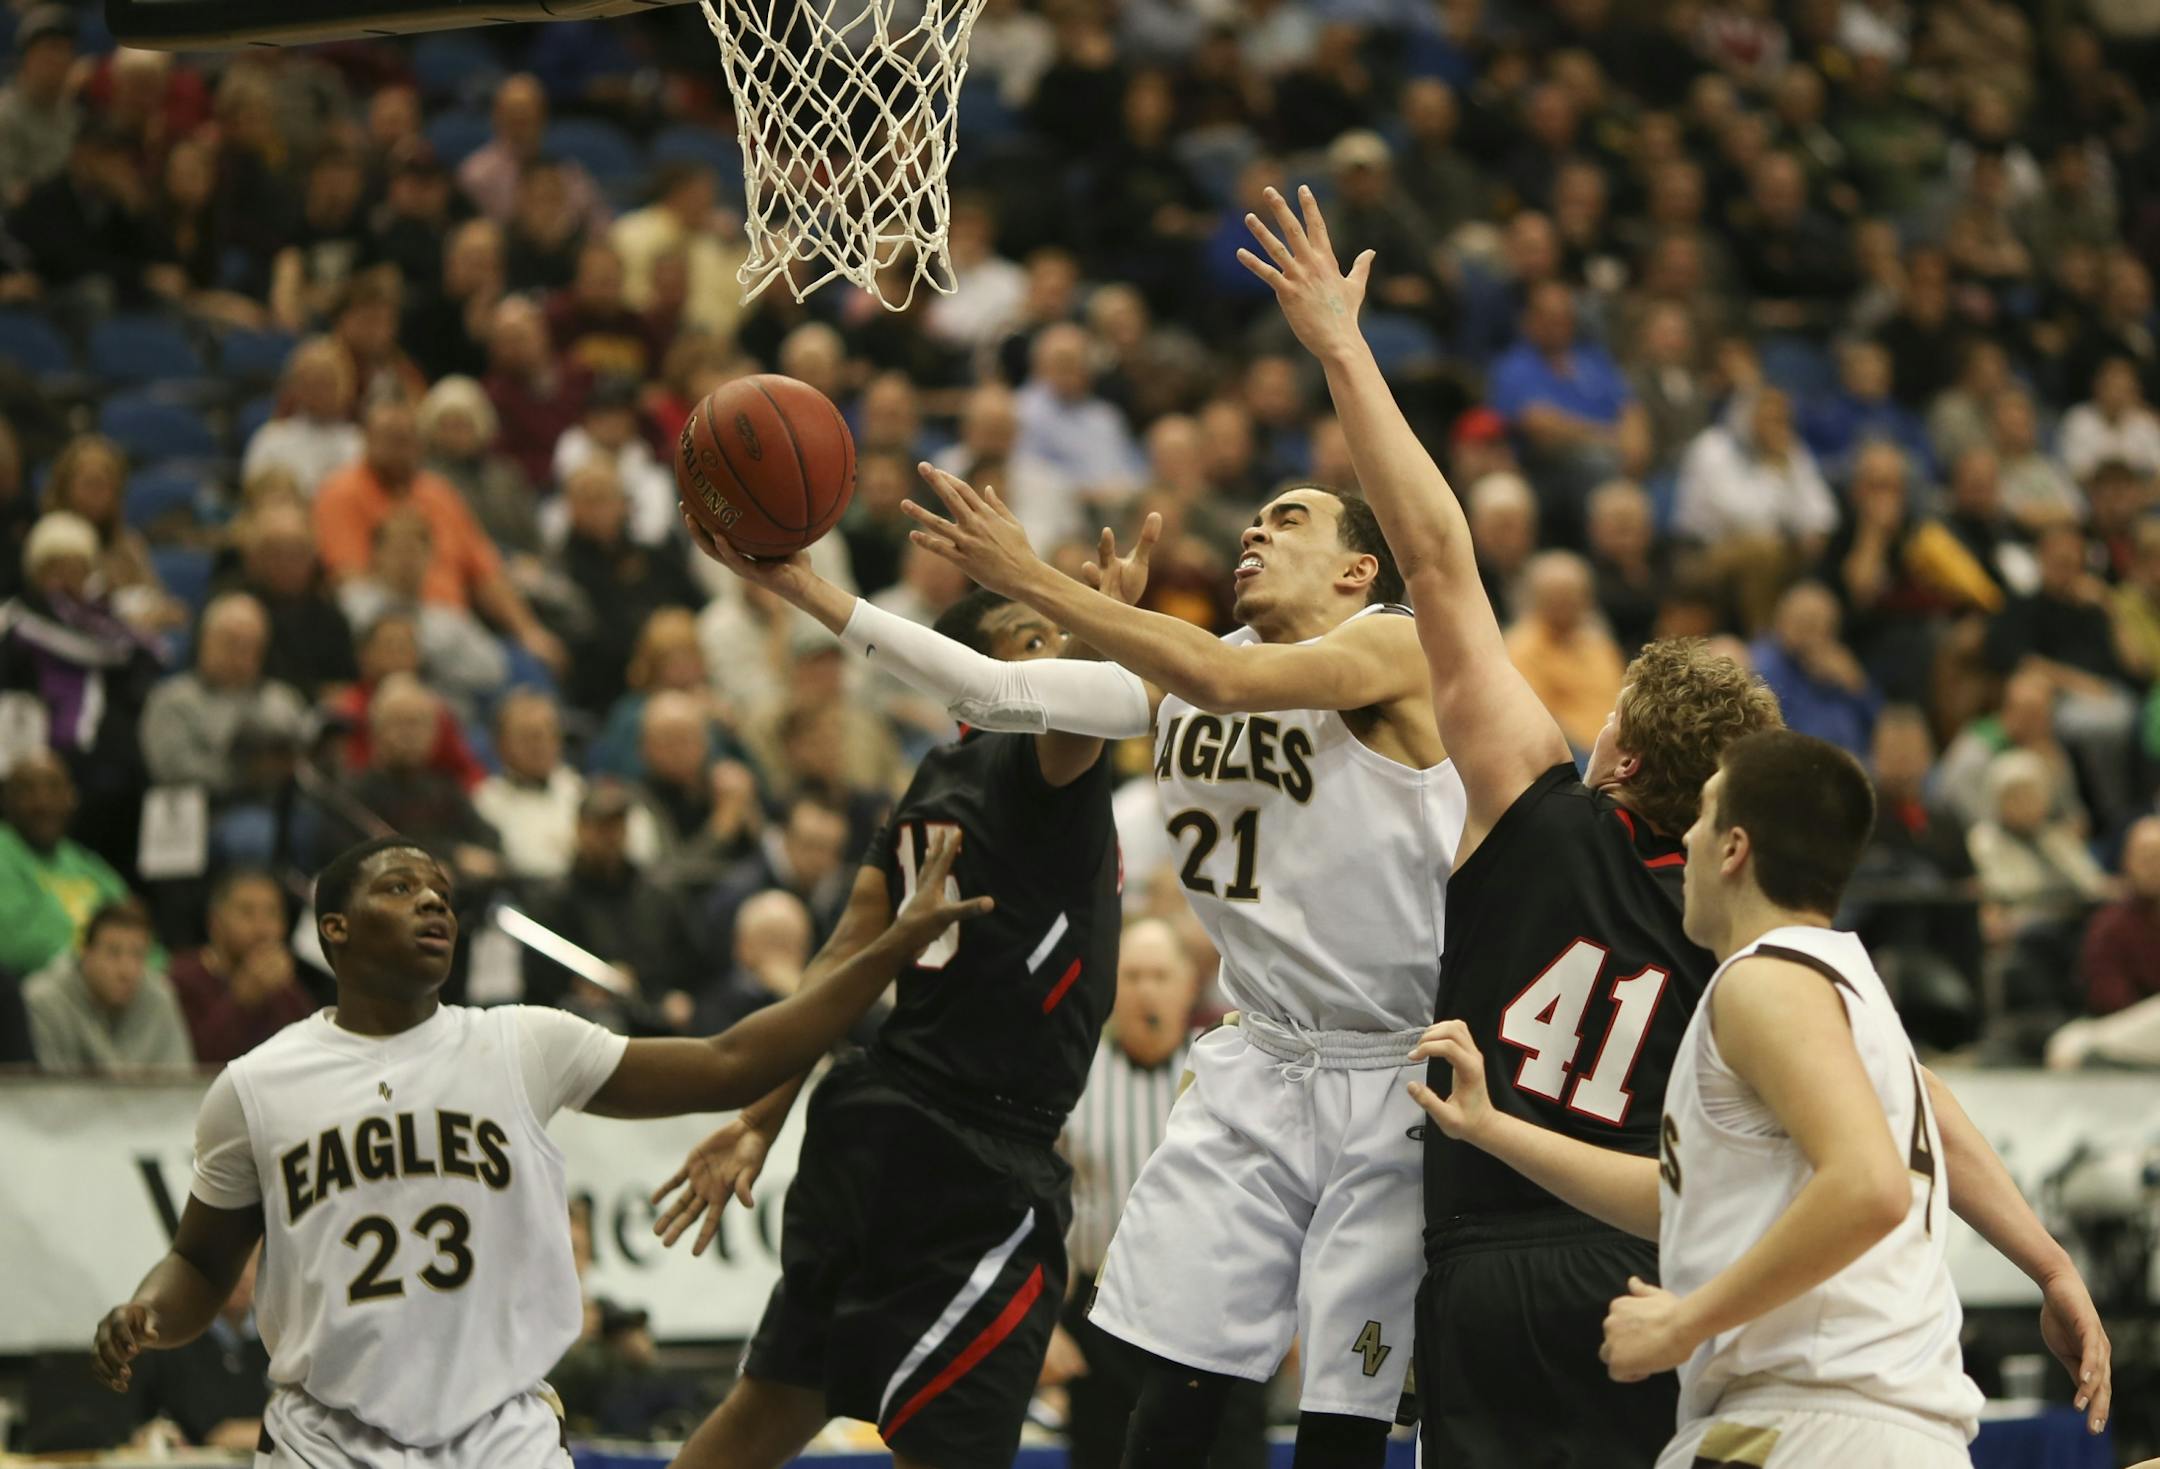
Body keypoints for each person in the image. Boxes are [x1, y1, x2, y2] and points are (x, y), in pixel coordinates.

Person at [1237, 182, 1783, 1465]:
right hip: (1646, 1265)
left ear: (1624, 751)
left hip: (1484, 1254)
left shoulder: (1534, 798)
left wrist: (1341, 347)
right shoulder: (1740, 919)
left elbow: (1433, 561)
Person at [865, 453, 1461, 1462]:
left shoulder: (1395, 645)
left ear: (1359, 571)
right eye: (1252, 522)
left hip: (1398, 1066)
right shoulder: (1187, 664)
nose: (1255, 532)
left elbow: (1228, 680)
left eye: (1289, 519)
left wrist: (1029, 580)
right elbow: (1001, 687)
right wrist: (801, 586)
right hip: (1263, 1054)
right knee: (1173, 1393)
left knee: (1343, 1417)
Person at [90, 831, 987, 1465]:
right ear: (336, 929)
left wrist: (883, 954)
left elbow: (730, 1060)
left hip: (502, 1433)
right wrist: (148, 1312)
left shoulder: (521, 1042)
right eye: (400, 888)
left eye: (440, 888)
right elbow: (199, 1265)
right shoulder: (255, 1084)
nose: (433, 899)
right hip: (329, 1440)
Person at [1409, 730, 2115, 1462]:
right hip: (1871, 1425)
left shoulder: (1761, 980)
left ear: (1733, 848)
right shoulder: (1846, 983)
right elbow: (1682, 1200)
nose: (1685, 836)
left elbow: (1871, 1185)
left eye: (1704, 816)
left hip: (1810, 1420)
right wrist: (1493, 1127)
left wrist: (1685, 1323)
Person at [648, 568, 1134, 1469]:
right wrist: (1099, 621)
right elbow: (1079, 697)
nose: (1054, 649)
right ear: (973, 670)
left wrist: (762, 1117)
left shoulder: (930, 778)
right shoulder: (1038, 763)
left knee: (769, 1408)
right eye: (1033, 636)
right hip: (975, 1158)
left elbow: (838, 966)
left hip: (869, 1124)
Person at [1054, 918, 1267, 1469]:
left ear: (1189, 984)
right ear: (1110, 985)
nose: (1145, 989)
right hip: (1102, 1317)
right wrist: (1046, 1328)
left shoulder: (1229, 1074)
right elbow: (1034, 1209)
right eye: (1131, 975)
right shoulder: (1071, 1079)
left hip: (1217, 1309)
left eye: (1159, 975)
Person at [25, 900, 192, 1074]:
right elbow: (45, 1092)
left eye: (138, 955)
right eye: (113, 953)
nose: (126, 970)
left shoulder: (159, 997)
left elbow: (180, 1083)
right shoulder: (44, 1001)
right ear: (85, 953)